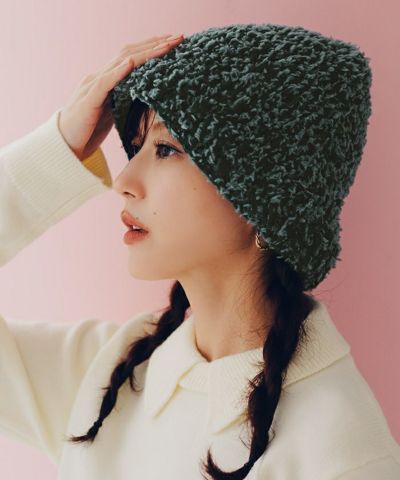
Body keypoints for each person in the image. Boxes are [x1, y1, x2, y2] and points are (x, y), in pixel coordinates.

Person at [0, 24, 399, 480]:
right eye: (137, 146)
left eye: (166, 149)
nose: (123, 181)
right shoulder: (111, 372)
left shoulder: (341, 454)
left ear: (261, 200)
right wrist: (58, 150)